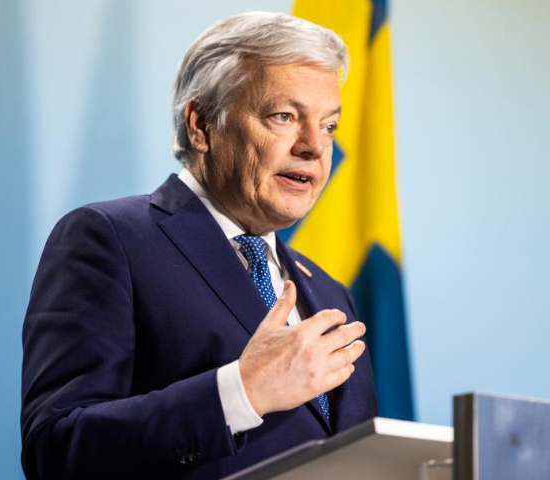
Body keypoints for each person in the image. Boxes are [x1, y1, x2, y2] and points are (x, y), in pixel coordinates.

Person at [20, 12, 376, 480]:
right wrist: (242, 391)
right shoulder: (111, 239)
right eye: (284, 116)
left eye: (329, 126)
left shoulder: (330, 292)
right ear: (201, 124)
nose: (313, 146)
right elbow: (57, 448)